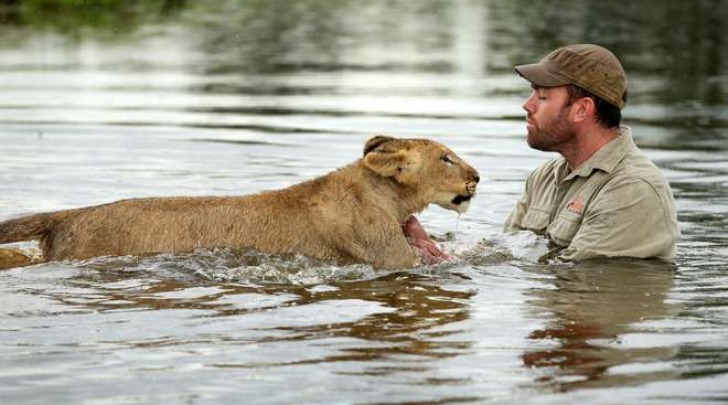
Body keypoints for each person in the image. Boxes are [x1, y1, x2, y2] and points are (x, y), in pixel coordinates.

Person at [404, 44, 680, 263]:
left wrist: (452, 270)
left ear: (582, 109)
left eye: (543, 97)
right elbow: (505, 252)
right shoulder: (545, 177)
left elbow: (580, 281)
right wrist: (435, 254)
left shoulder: (632, 189)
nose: (527, 105)